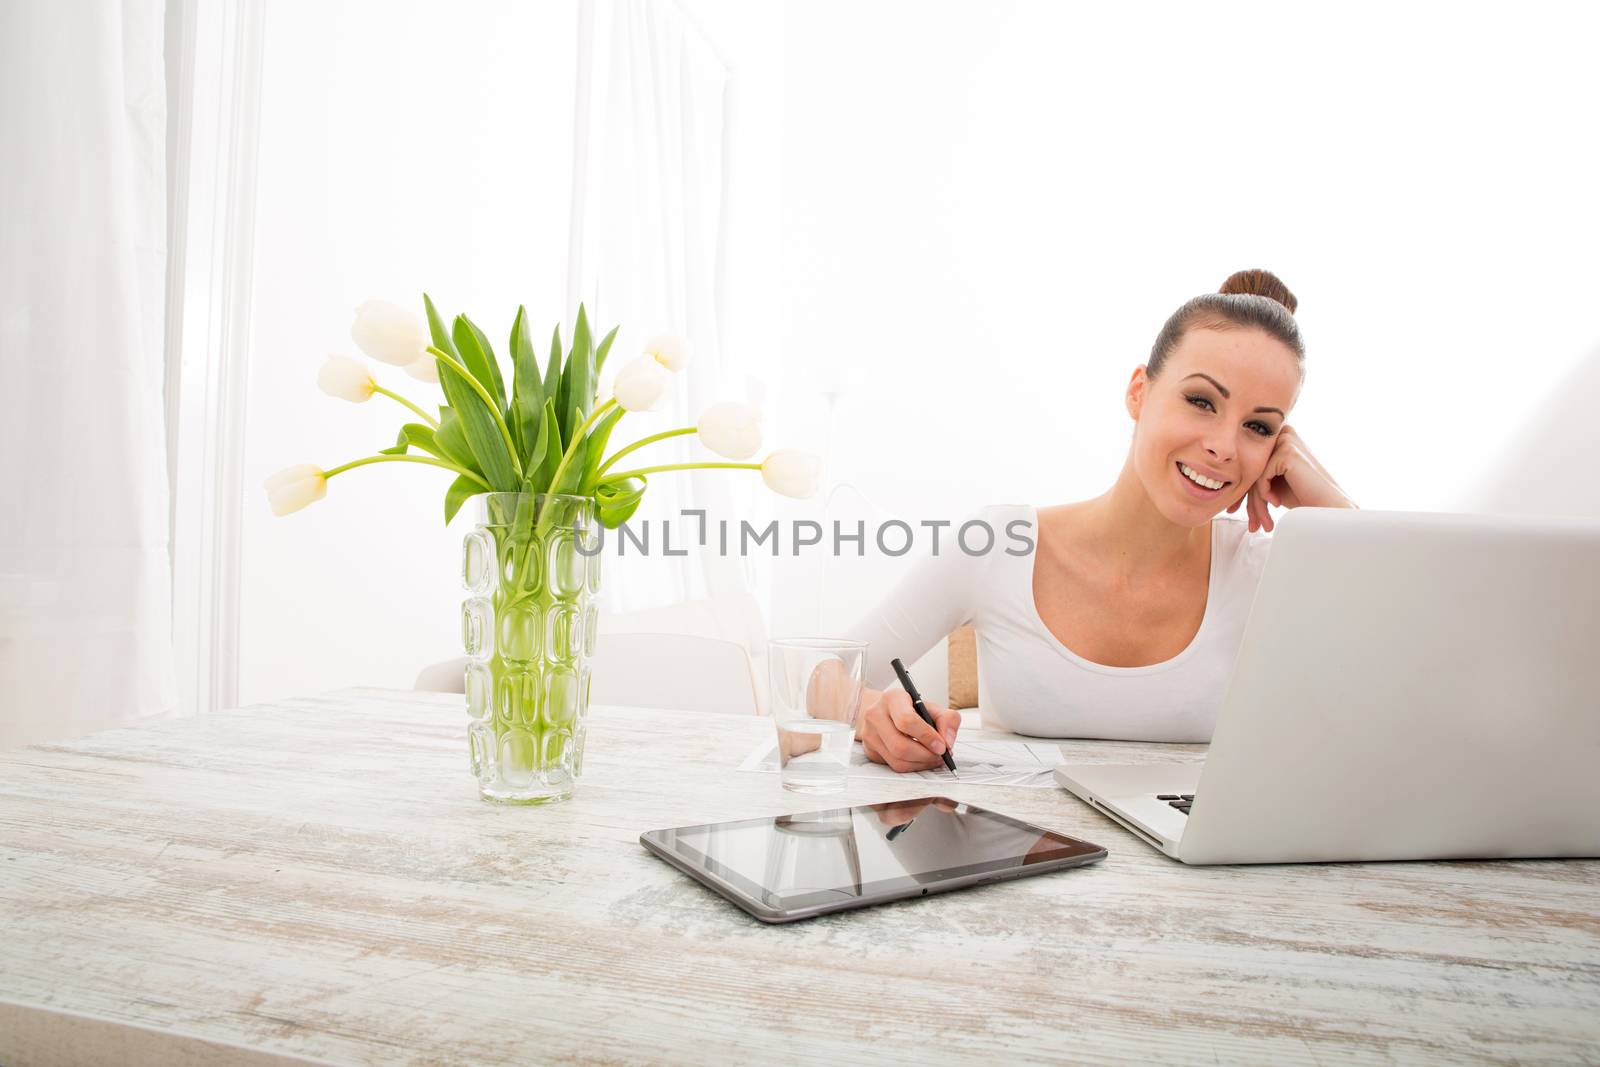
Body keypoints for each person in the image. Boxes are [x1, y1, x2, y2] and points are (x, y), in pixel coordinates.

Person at [846, 269, 1357, 772]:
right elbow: (819, 675)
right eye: (1201, 401)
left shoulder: (1265, 569)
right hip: (1019, 847)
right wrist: (867, 710)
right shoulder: (1001, 543)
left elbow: (1422, 675)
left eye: (1258, 426)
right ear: (1139, 391)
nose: (1223, 447)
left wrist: (1329, 499)